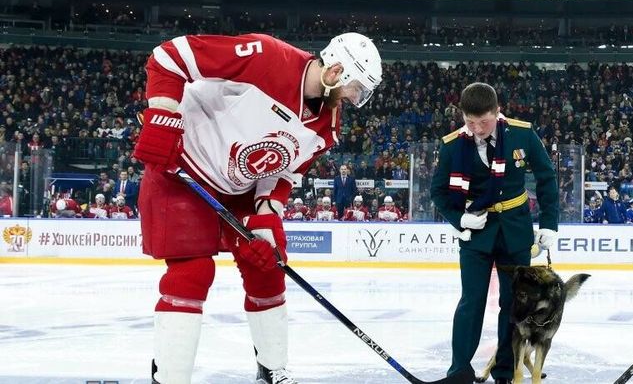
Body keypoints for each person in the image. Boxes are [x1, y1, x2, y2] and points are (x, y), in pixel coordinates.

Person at [133, 32, 382, 384]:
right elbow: (170, 56)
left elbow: (287, 170)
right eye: (355, 89)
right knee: (191, 274)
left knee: (267, 266)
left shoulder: (327, 124)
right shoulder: (265, 56)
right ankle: (170, 378)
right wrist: (163, 114)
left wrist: (267, 213)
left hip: (242, 188)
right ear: (336, 71)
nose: (354, 100)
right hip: (184, 168)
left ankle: (271, 368)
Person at [430, 82, 558, 384]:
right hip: (476, 234)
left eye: (483, 121)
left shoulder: (523, 134)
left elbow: (546, 177)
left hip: (515, 230)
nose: (476, 128)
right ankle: (459, 370)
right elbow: (438, 191)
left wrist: (550, 223)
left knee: (513, 304)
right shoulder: (451, 145)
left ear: (497, 112)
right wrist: (459, 219)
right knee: (470, 301)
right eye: (469, 122)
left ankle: (505, 372)